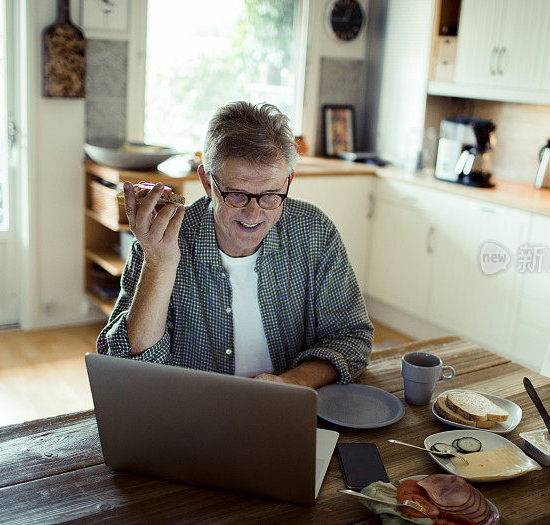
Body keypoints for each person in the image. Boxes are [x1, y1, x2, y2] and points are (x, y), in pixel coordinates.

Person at [96, 101, 373, 388]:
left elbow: (351, 336)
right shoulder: (161, 240)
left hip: (287, 411)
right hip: (192, 416)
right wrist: (159, 265)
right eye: (237, 195)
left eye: (270, 195)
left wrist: (292, 383)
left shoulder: (314, 230)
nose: (254, 215)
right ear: (207, 183)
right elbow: (125, 367)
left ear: (288, 180)